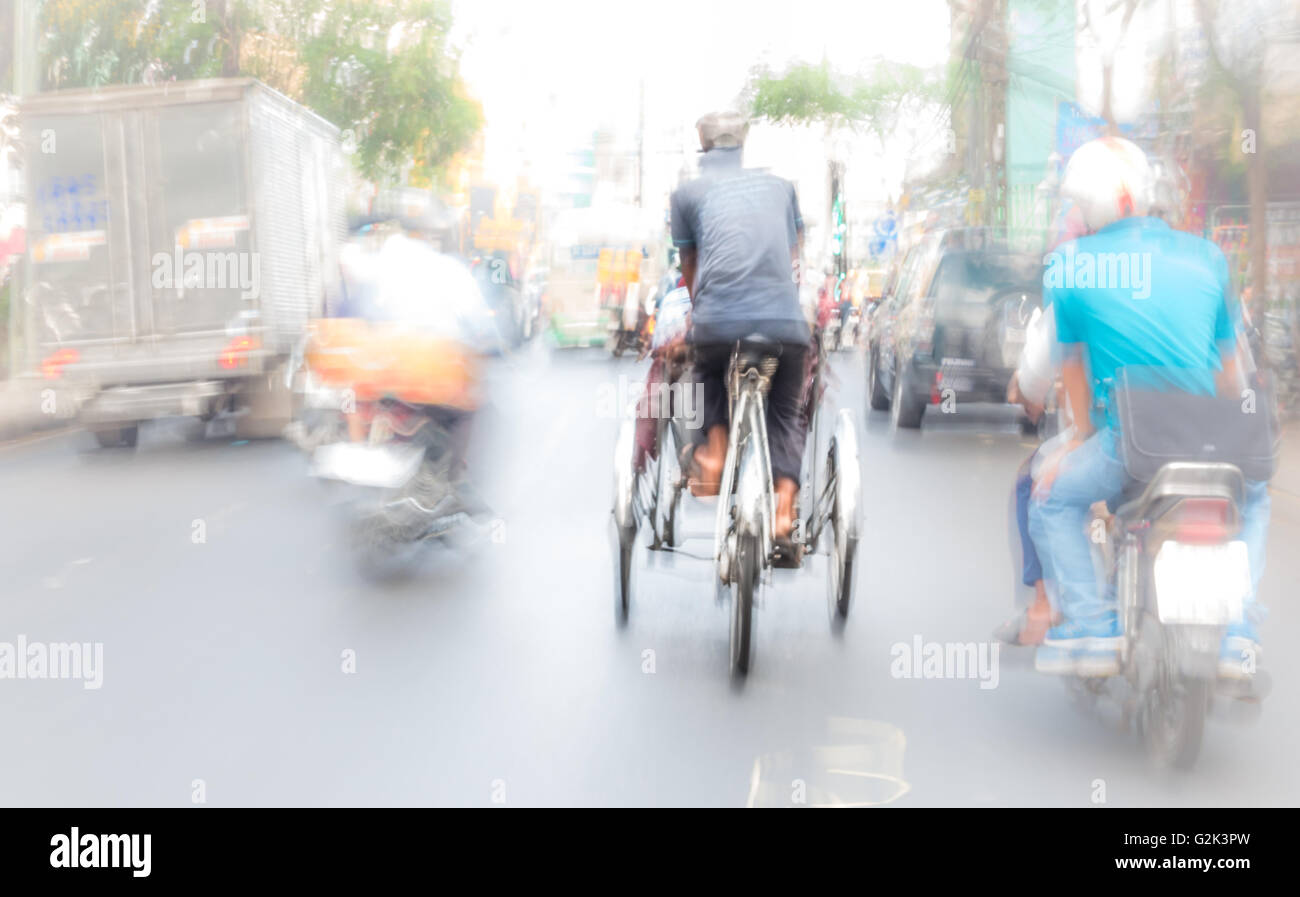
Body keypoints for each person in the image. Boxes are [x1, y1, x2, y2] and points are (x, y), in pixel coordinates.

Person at [1028, 137, 1271, 679]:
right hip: (1212, 435)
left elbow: (1071, 375)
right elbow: (1231, 376)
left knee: (1050, 499)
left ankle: (1091, 626)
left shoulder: (1070, 267)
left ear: (1088, 209)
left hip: (1131, 446)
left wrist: (1075, 442)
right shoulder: (1208, 256)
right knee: (1254, 498)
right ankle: (1238, 631)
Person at [670, 111, 810, 552]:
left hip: (718, 324)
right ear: (743, 144)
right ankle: (784, 512)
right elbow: (791, 251)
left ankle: (713, 453)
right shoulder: (780, 188)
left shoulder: (686, 194)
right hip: (783, 326)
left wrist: (703, 314)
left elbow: (690, 266)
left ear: (702, 143)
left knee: (705, 372)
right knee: (786, 411)